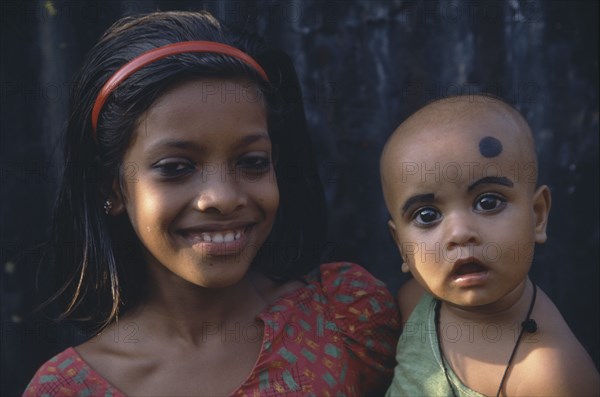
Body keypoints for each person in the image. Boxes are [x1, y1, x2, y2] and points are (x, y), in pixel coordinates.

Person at [24, 11, 400, 396]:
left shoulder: (345, 319)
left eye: (252, 162)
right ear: (113, 188)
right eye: (176, 168)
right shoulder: (68, 389)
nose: (222, 197)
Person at [380, 94, 599, 397]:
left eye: (488, 202)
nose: (459, 233)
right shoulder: (414, 303)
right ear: (402, 246)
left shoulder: (550, 374)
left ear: (537, 216)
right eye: (427, 215)